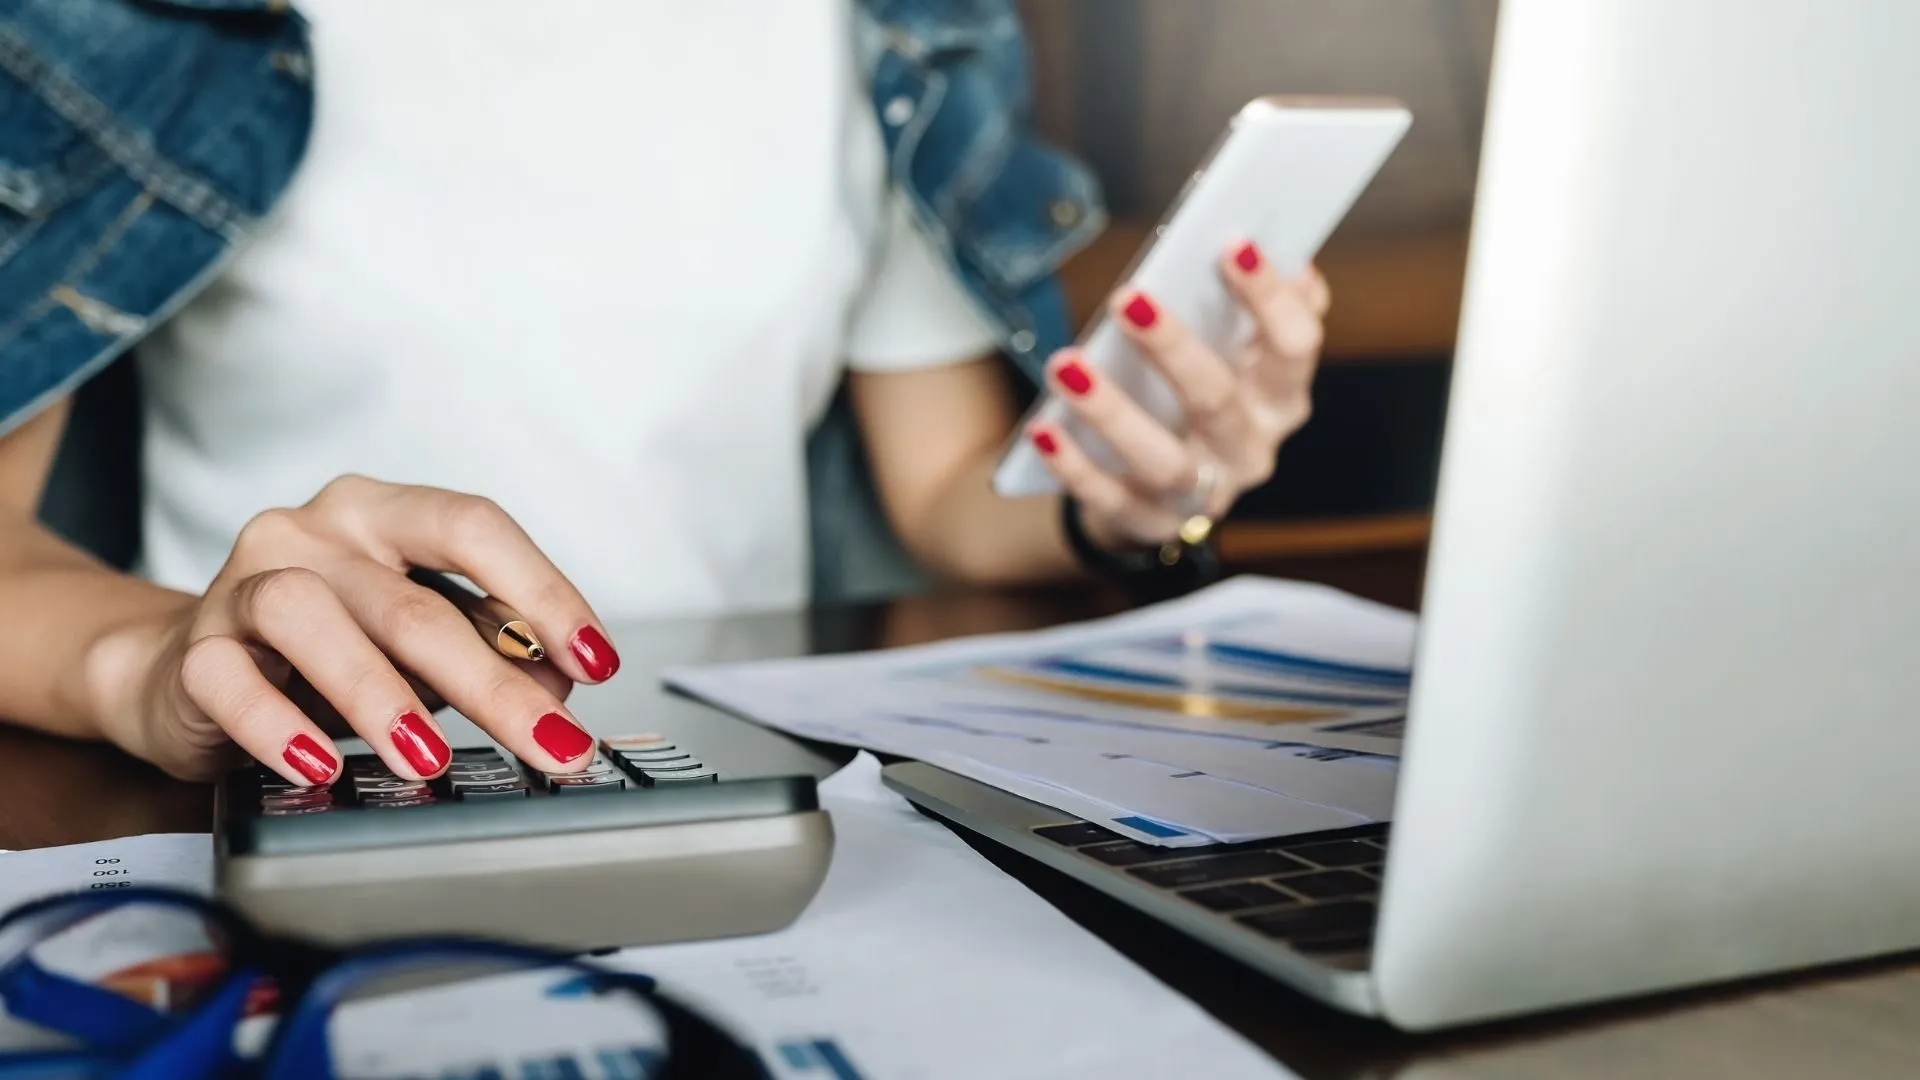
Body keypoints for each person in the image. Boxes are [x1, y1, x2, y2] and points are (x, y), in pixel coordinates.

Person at [0, 0, 1329, 789]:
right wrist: (158, 665)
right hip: (302, 785)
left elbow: (943, 492)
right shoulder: (126, 26)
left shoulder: (895, 23)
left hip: (742, 786)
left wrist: (1129, 488)